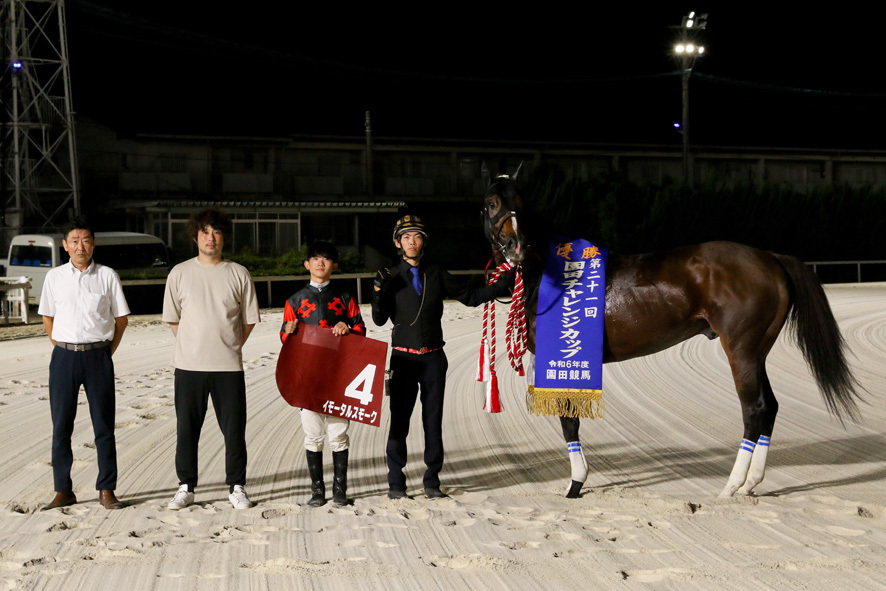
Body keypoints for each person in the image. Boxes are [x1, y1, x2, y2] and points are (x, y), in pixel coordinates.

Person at [372, 215, 513, 499]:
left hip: (434, 359)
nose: (412, 241)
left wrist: (507, 280)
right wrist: (378, 292)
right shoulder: (390, 275)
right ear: (397, 242)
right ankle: (396, 484)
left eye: (418, 236)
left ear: (424, 241)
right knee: (399, 422)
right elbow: (378, 319)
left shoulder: (436, 272)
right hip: (403, 360)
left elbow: (471, 297)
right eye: (406, 237)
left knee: (432, 422)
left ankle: (432, 482)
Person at [162, 208, 261, 510]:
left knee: (234, 429)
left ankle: (237, 486)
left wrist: (229, 344)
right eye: (205, 231)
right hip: (189, 366)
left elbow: (248, 320)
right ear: (195, 236)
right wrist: (193, 343)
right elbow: (173, 318)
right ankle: (185, 486)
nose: (210, 237)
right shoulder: (179, 272)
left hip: (228, 367)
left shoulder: (238, 273)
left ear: (224, 237)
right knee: (187, 428)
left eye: (216, 232)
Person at [38, 216, 130, 511]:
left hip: (98, 356)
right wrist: (62, 346)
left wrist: (105, 352)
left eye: (86, 240)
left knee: (104, 426)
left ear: (94, 244)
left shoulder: (107, 276)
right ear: (65, 246)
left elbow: (121, 320)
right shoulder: (54, 278)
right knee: (61, 426)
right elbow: (47, 317)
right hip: (63, 357)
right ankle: (63, 490)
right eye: (75, 240)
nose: (81, 246)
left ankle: (107, 489)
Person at [280, 241, 366, 507]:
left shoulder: (345, 297)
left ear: (334, 265)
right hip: (308, 375)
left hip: (339, 374)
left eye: (326, 259)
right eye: (315, 258)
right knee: (313, 434)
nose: (320, 263)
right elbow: (284, 340)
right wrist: (290, 331)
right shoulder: (294, 300)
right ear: (307, 264)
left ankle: (340, 490)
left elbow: (361, 331)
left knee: (339, 433)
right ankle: (317, 491)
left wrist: (347, 328)